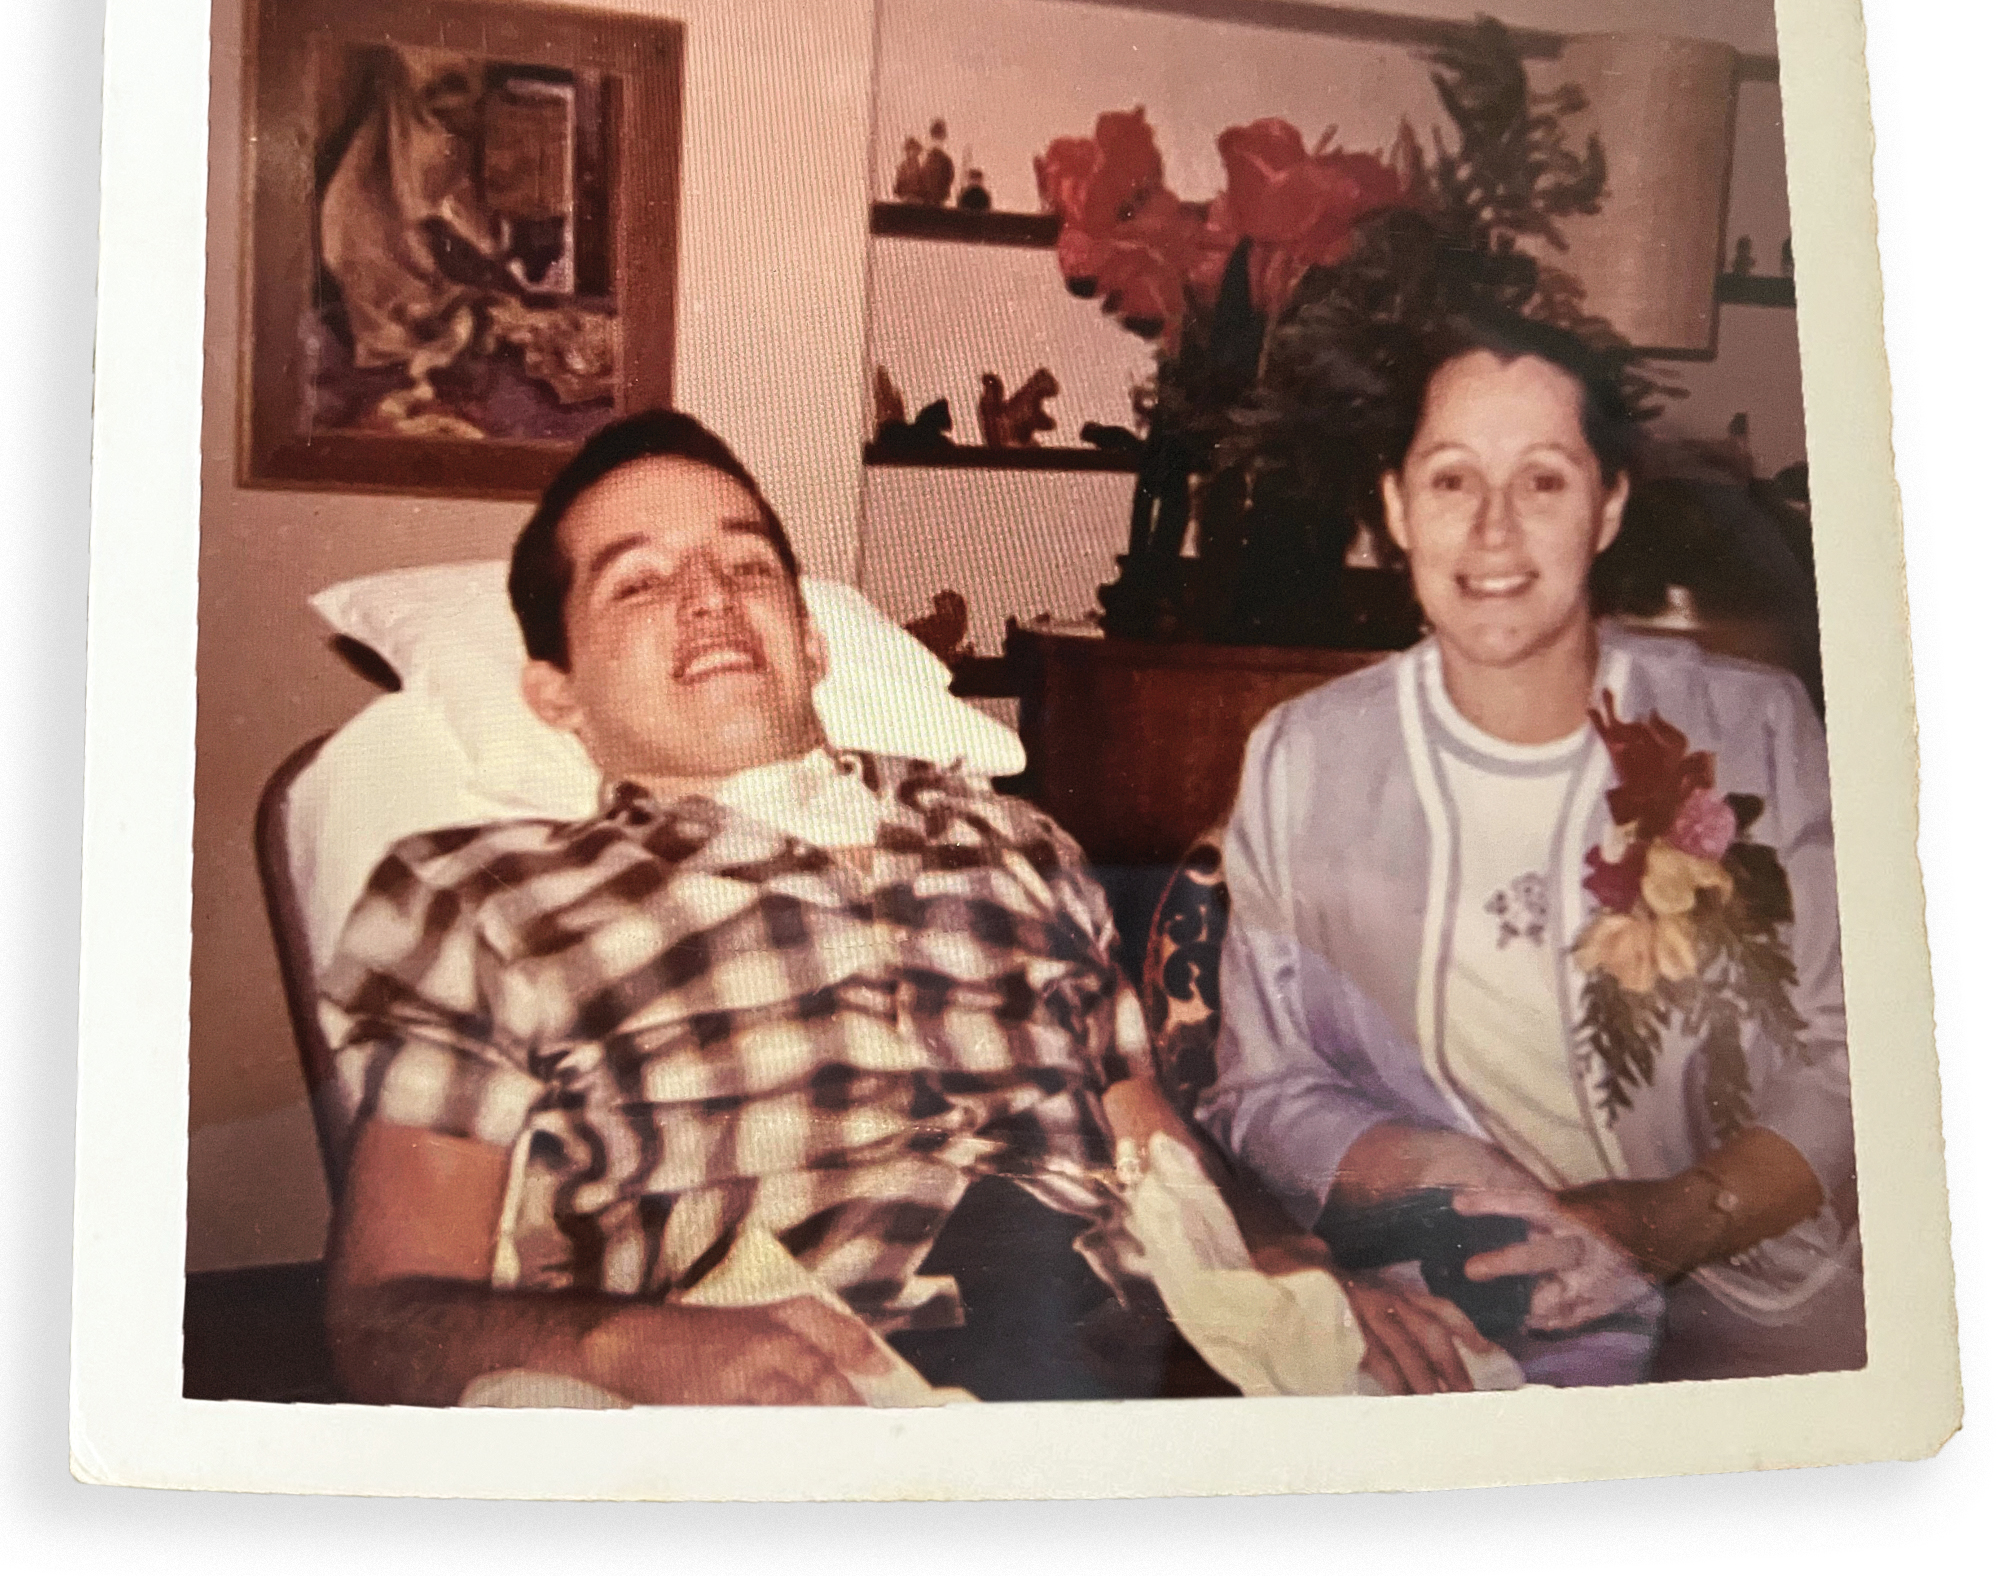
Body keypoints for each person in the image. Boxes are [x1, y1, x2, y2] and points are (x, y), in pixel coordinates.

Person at [318, 411, 1492, 1406]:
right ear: (555, 694)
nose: (710, 600)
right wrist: (623, 1344)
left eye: (745, 567)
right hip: (825, 1401)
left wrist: (1291, 1256)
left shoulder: (1015, 840)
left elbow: (1153, 1141)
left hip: (1152, 1366)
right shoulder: (481, 900)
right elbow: (381, 1312)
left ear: (812, 638)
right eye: (638, 583)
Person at [1197, 311, 1862, 1383]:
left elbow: (1856, 1046)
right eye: (1451, 480)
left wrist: (1667, 1220)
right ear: (1392, 508)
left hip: (1746, 1290)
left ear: (1606, 508)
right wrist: (1430, 1179)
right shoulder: (1303, 758)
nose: (1492, 532)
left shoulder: (1752, 731)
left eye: (1543, 481)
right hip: (1459, 1291)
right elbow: (1262, 1087)